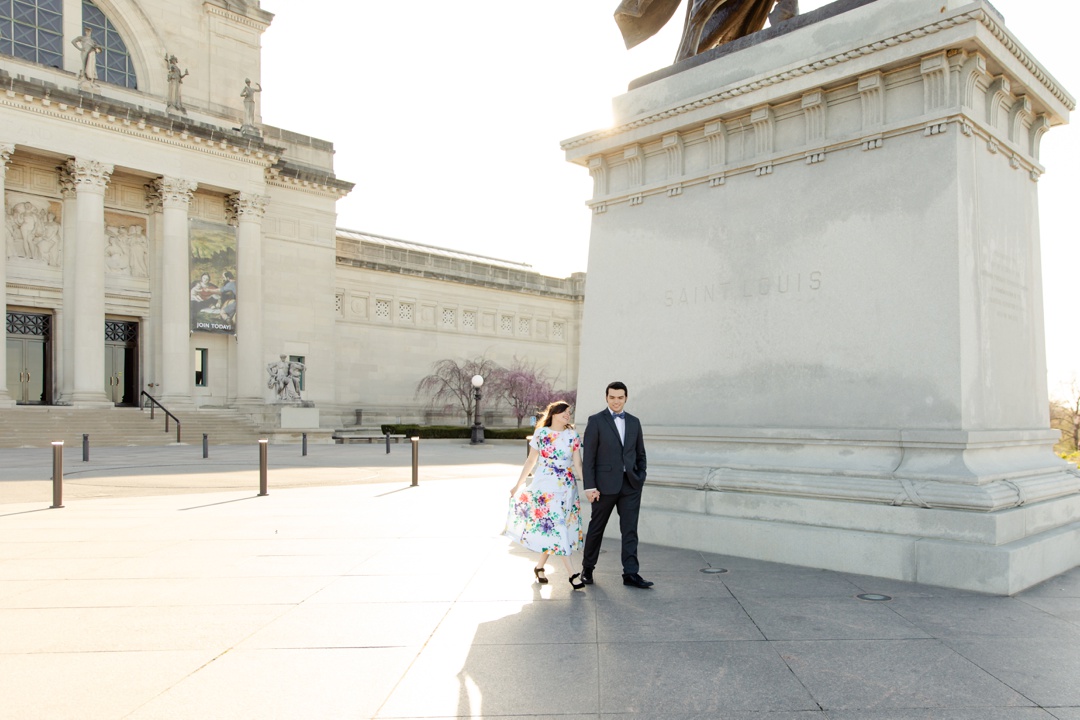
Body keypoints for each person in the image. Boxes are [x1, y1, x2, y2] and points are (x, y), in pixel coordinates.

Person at [505, 401, 586, 589]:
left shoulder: (572, 436)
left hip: (567, 487)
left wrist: (588, 487)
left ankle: (539, 567)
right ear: (554, 413)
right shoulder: (541, 434)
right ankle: (572, 574)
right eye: (565, 411)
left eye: (569, 412)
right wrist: (518, 484)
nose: (568, 415)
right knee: (557, 525)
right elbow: (531, 460)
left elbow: (578, 465)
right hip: (545, 487)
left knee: (557, 527)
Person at [581, 381, 652, 588]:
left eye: (620, 397)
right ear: (606, 398)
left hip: (630, 485)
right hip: (603, 487)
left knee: (630, 530)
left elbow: (640, 453)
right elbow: (589, 458)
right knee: (596, 528)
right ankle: (587, 568)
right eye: (612, 397)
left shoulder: (634, 422)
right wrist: (589, 486)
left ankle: (630, 573)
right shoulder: (595, 421)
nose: (616, 401)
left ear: (626, 398)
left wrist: (640, 477)